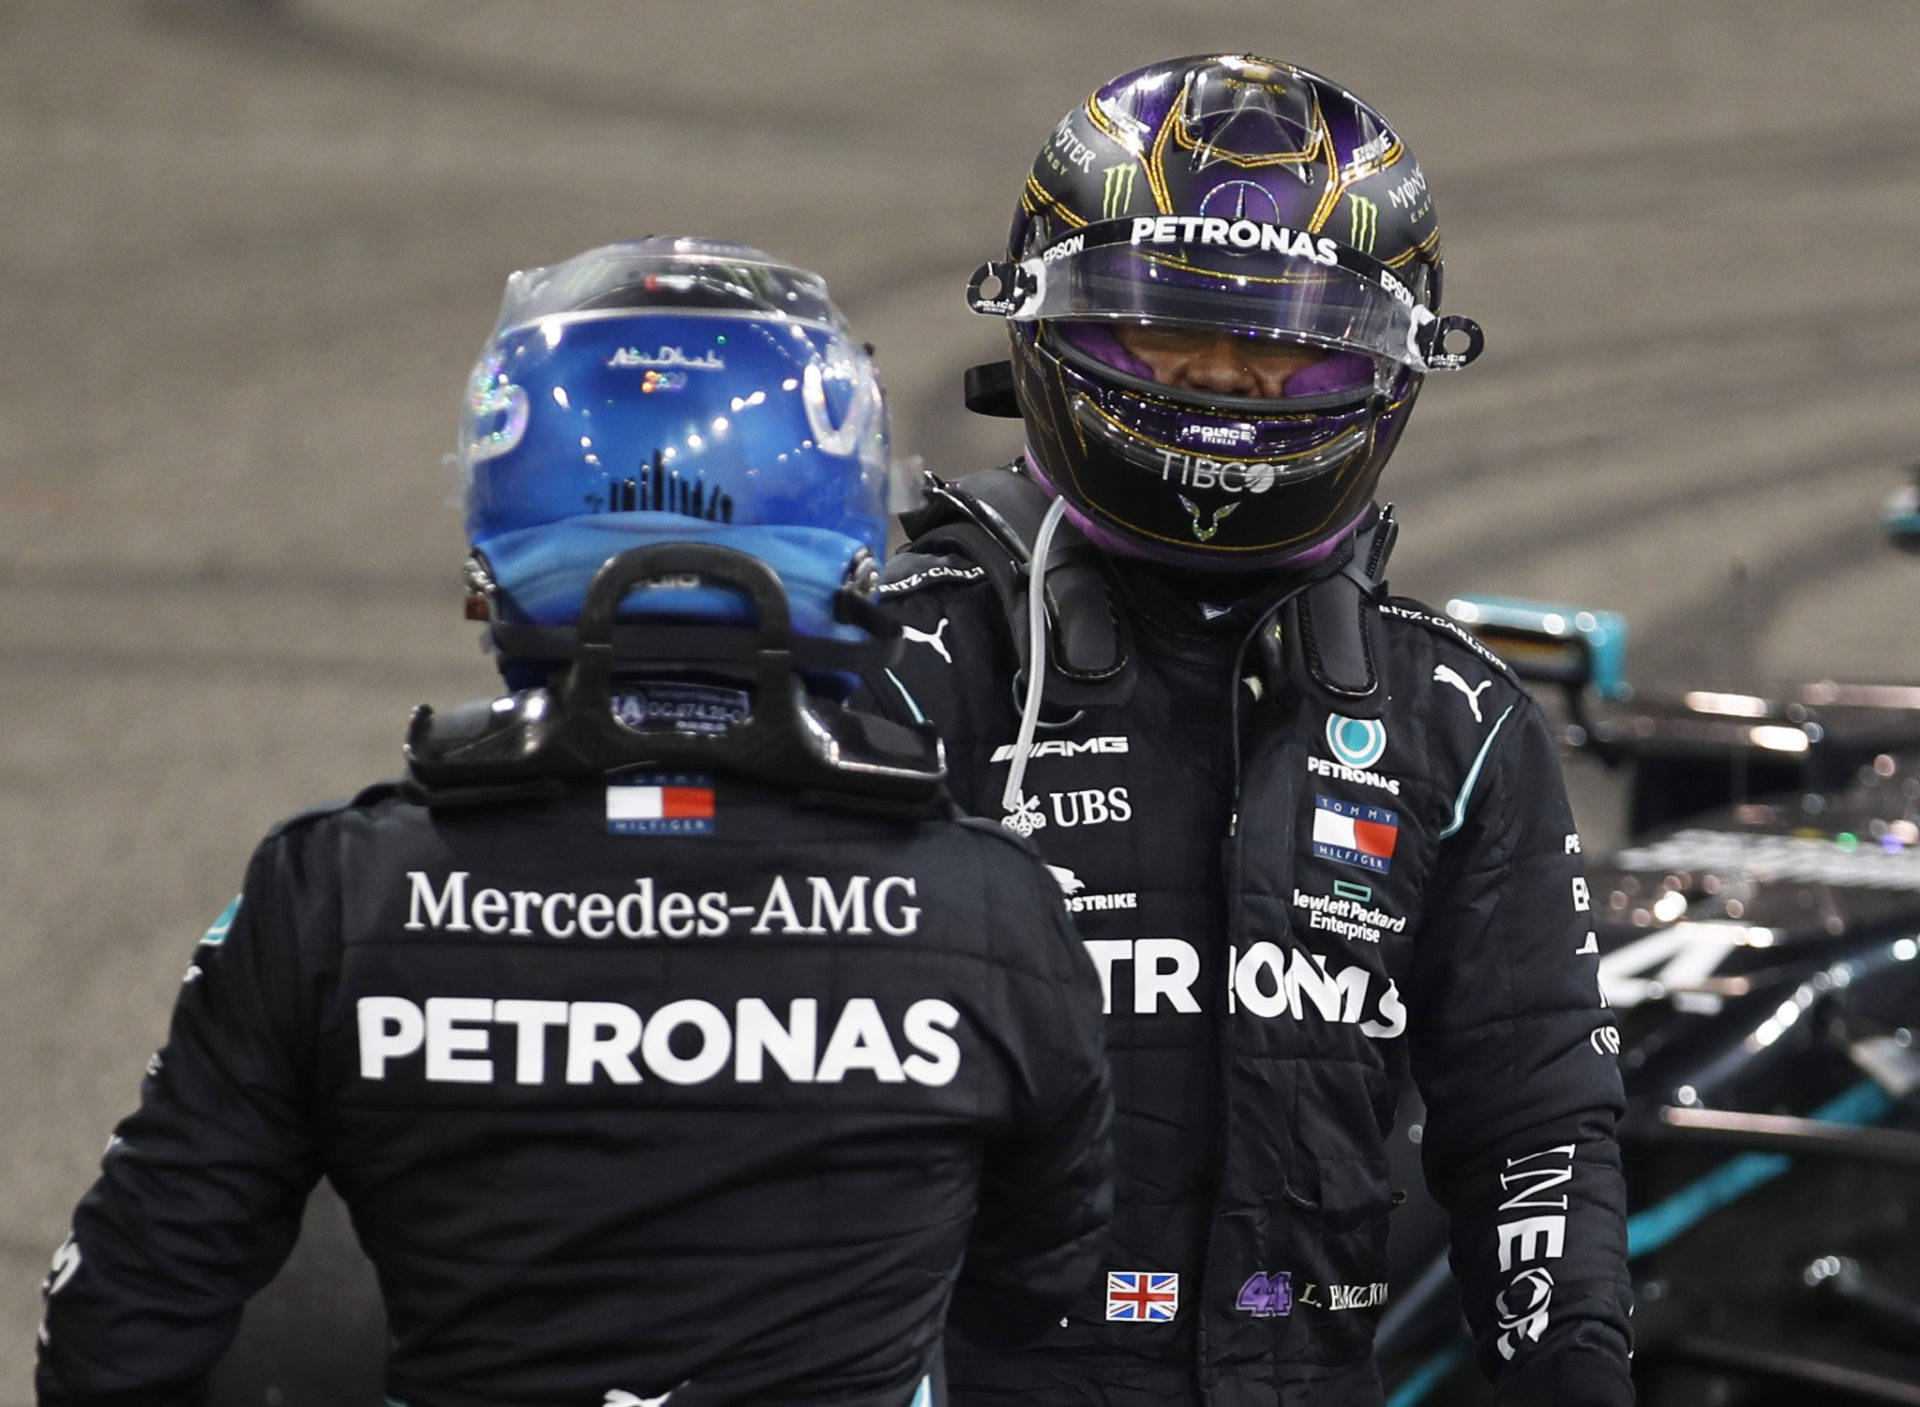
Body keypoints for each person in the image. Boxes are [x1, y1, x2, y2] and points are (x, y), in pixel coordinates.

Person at [35, 239, 1113, 1407]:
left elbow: (119, 1324)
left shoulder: (333, 891)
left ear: (498, 527)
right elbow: (1031, 1286)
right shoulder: (991, 908)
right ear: (844, 530)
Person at [863, 56, 1633, 1407]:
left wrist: (1573, 1374)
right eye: (1166, 331)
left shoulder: (1455, 718)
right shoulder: (902, 664)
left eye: (1281, 341)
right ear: (1045, 318)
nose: (1222, 378)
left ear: (1387, 361)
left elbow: (1537, 1125)